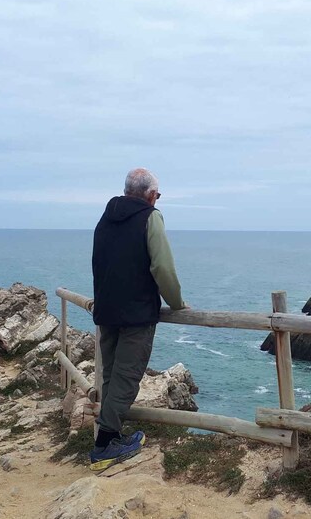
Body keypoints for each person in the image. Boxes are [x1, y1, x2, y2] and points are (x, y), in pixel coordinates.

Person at [88, 167, 187, 471]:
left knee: (110, 374)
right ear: (148, 194)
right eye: (157, 194)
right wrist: (176, 303)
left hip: (107, 310)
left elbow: (99, 263)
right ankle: (104, 445)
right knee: (127, 377)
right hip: (135, 313)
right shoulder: (150, 217)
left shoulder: (106, 218)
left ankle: (112, 434)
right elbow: (163, 268)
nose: (157, 200)